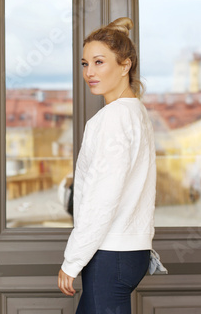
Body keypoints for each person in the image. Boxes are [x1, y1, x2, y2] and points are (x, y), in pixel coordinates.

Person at [57, 17, 157, 313]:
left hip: (111, 254)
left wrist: (72, 260)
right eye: (85, 64)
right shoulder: (136, 113)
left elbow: (104, 197)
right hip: (129, 252)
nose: (90, 72)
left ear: (125, 65)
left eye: (99, 62)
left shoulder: (112, 119)